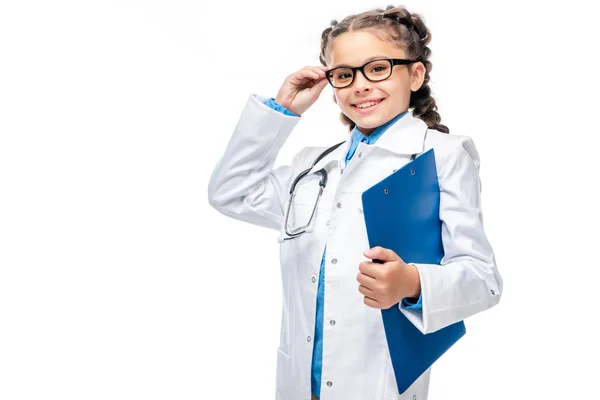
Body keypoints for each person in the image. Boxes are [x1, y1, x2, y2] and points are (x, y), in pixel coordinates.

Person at [207, 4, 502, 400]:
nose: (360, 85)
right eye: (344, 75)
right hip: (300, 384)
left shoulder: (441, 156)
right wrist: (282, 110)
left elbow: (483, 281)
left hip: (377, 385)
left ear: (415, 75)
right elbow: (232, 191)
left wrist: (412, 283)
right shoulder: (313, 164)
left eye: (377, 68)